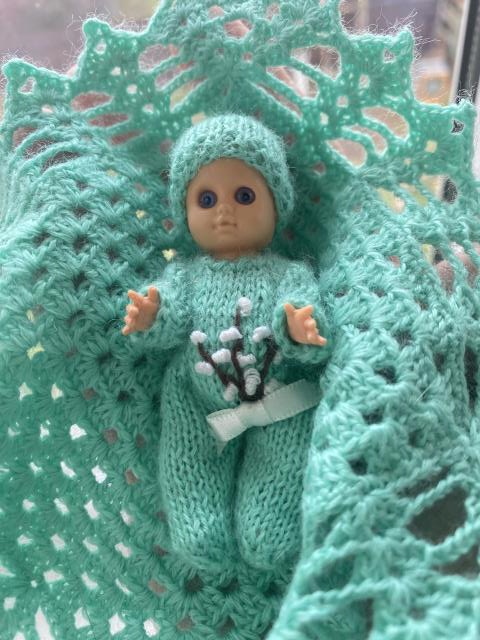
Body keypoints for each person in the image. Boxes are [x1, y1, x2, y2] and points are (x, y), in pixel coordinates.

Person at [122, 114, 332, 571]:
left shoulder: (287, 273)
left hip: (280, 399)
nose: (224, 212)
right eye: (206, 199)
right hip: (197, 402)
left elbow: (305, 314)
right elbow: (168, 317)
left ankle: (269, 524)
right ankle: (200, 526)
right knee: (187, 461)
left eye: (244, 196)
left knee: (284, 463)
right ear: (185, 212)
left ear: (276, 205)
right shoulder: (186, 276)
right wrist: (151, 315)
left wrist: (299, 327)